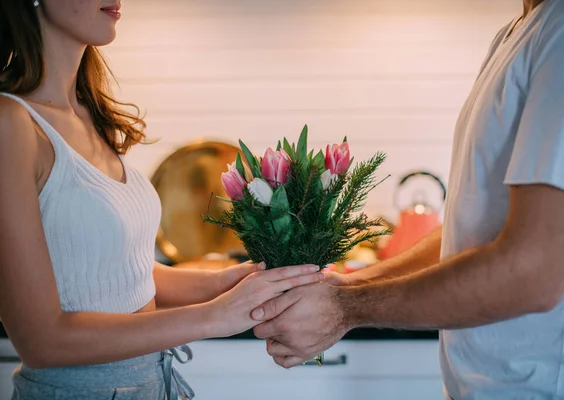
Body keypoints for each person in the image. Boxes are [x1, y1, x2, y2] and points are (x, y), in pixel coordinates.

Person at [251, 0, 564, 398]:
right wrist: (345, 287)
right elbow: (469, 234)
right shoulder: (519, 32)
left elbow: (533, 272)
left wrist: (345, 308)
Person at [0, 1, 324, 399]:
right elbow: (41, 340)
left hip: (151, 384)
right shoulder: (11, 123)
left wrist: (224, 282)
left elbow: (114, 274)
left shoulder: (88, 113)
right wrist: (215, 315)